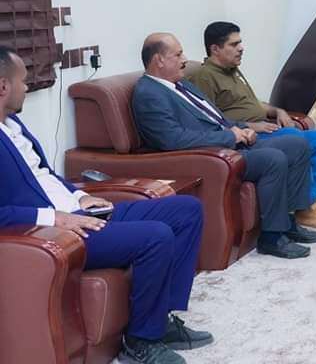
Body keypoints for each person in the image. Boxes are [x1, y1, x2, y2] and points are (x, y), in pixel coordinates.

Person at [0, 46, 212, 364]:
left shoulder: (14, 125)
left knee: (186, 210)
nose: (27, 87)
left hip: (80, 211)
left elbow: (44, 175)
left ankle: (161, 319)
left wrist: (78, 196)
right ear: (3, 86)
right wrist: (55, 217)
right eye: (23, 81)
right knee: (155, 236)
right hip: (57, 233)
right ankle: (141, 342)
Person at [131, 33, 316, 259]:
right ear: (159, 60)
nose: (184, 59)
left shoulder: (181, 84)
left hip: (228, 143)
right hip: (211, 155)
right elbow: (172, 139)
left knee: (297, 144)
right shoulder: (148, 94)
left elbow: (216, 117)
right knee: (273, 159)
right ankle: (272, 237)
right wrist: (229, 137)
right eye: (178, 54)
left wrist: (243, 128)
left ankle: (289, 222)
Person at [189, 22, 316, 232]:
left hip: (265, 128)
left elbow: (253, 103)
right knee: (297, 139)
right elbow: (211, 119)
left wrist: (277, 111)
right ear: (215, 49)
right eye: (234, 44)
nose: (241, 48)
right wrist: (252, 126)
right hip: (248, 137)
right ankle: (306, 210)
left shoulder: (232, 70)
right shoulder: (204, 76)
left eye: (240, 43)